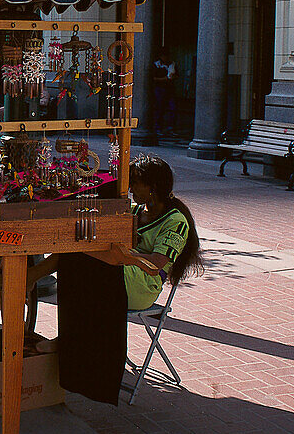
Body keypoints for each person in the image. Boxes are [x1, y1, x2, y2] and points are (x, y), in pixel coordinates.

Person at [28, 153, 203, 310]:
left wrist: (121, 256)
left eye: (135, 183)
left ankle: (29, 279)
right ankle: (69, 333)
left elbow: (157, 262)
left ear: (153, 186)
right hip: (123, 269)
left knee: (80, 258)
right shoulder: (135, 211)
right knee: (74, 252)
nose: (130, 189)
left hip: (142, 284)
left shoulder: (175, 221)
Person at [152, 49, 177, 137]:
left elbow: (176, 75)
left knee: (172, 108)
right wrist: (163, 79)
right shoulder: (156, 65)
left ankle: (170, 128)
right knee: (160, 108)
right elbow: (152, 78)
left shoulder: (172, 64)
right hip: (160, 89)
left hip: (170, 89)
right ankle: (158, 128)